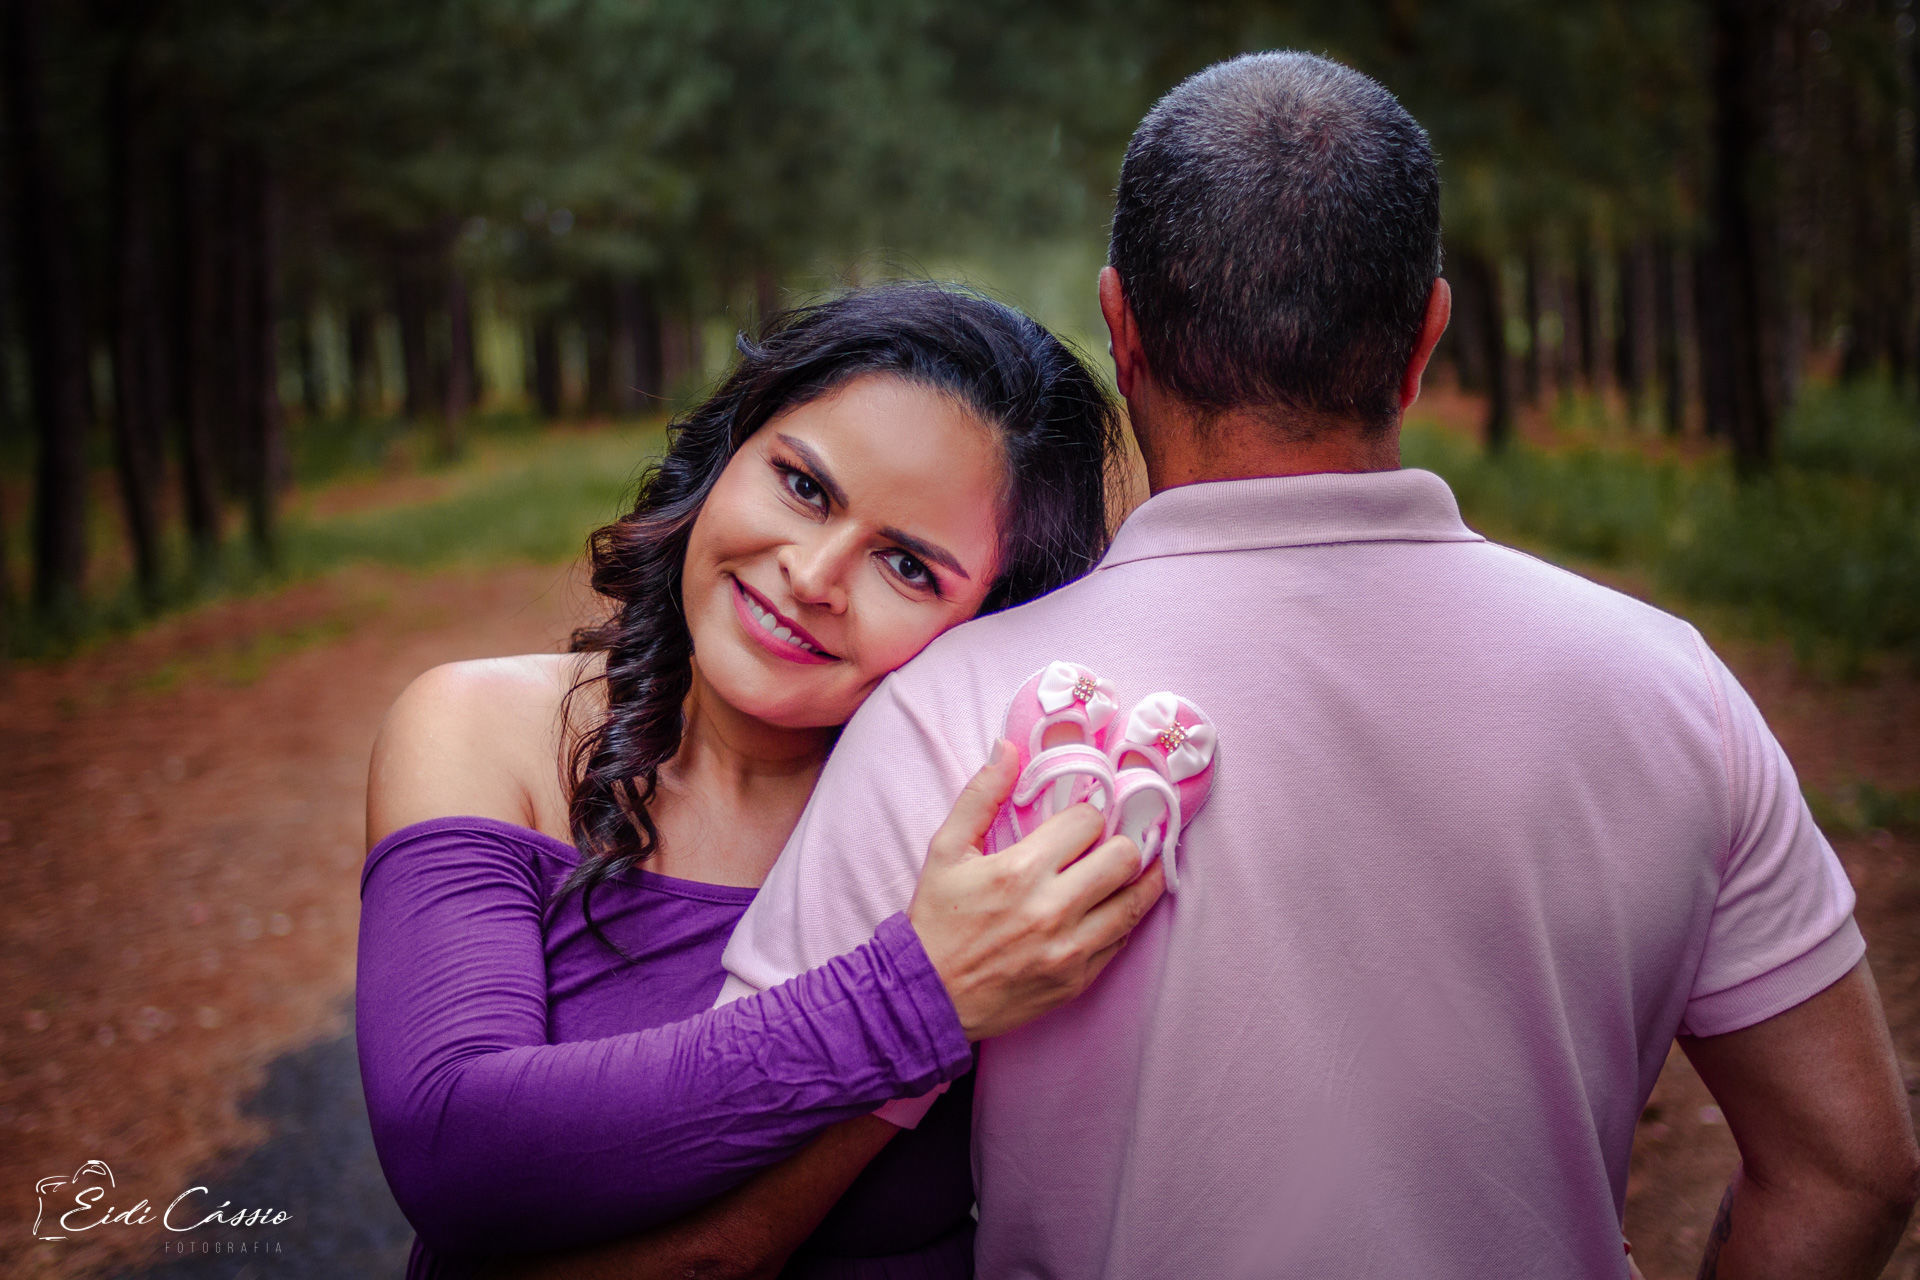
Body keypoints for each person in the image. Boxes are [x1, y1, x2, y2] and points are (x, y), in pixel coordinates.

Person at [717, 51, 1920, 1277]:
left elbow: (733, 1202)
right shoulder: (1675, 693)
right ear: (1426, 338)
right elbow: (1850, 1167)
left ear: (1119, 324)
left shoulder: (952, 713)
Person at [355, 282, 1165, 1279]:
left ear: (989, 621)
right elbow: (453, 1145)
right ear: (729, 448)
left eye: (908, 566)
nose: (815, 574)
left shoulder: (982, 829)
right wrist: (918, 998)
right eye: (804, 486)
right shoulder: (482, 729)